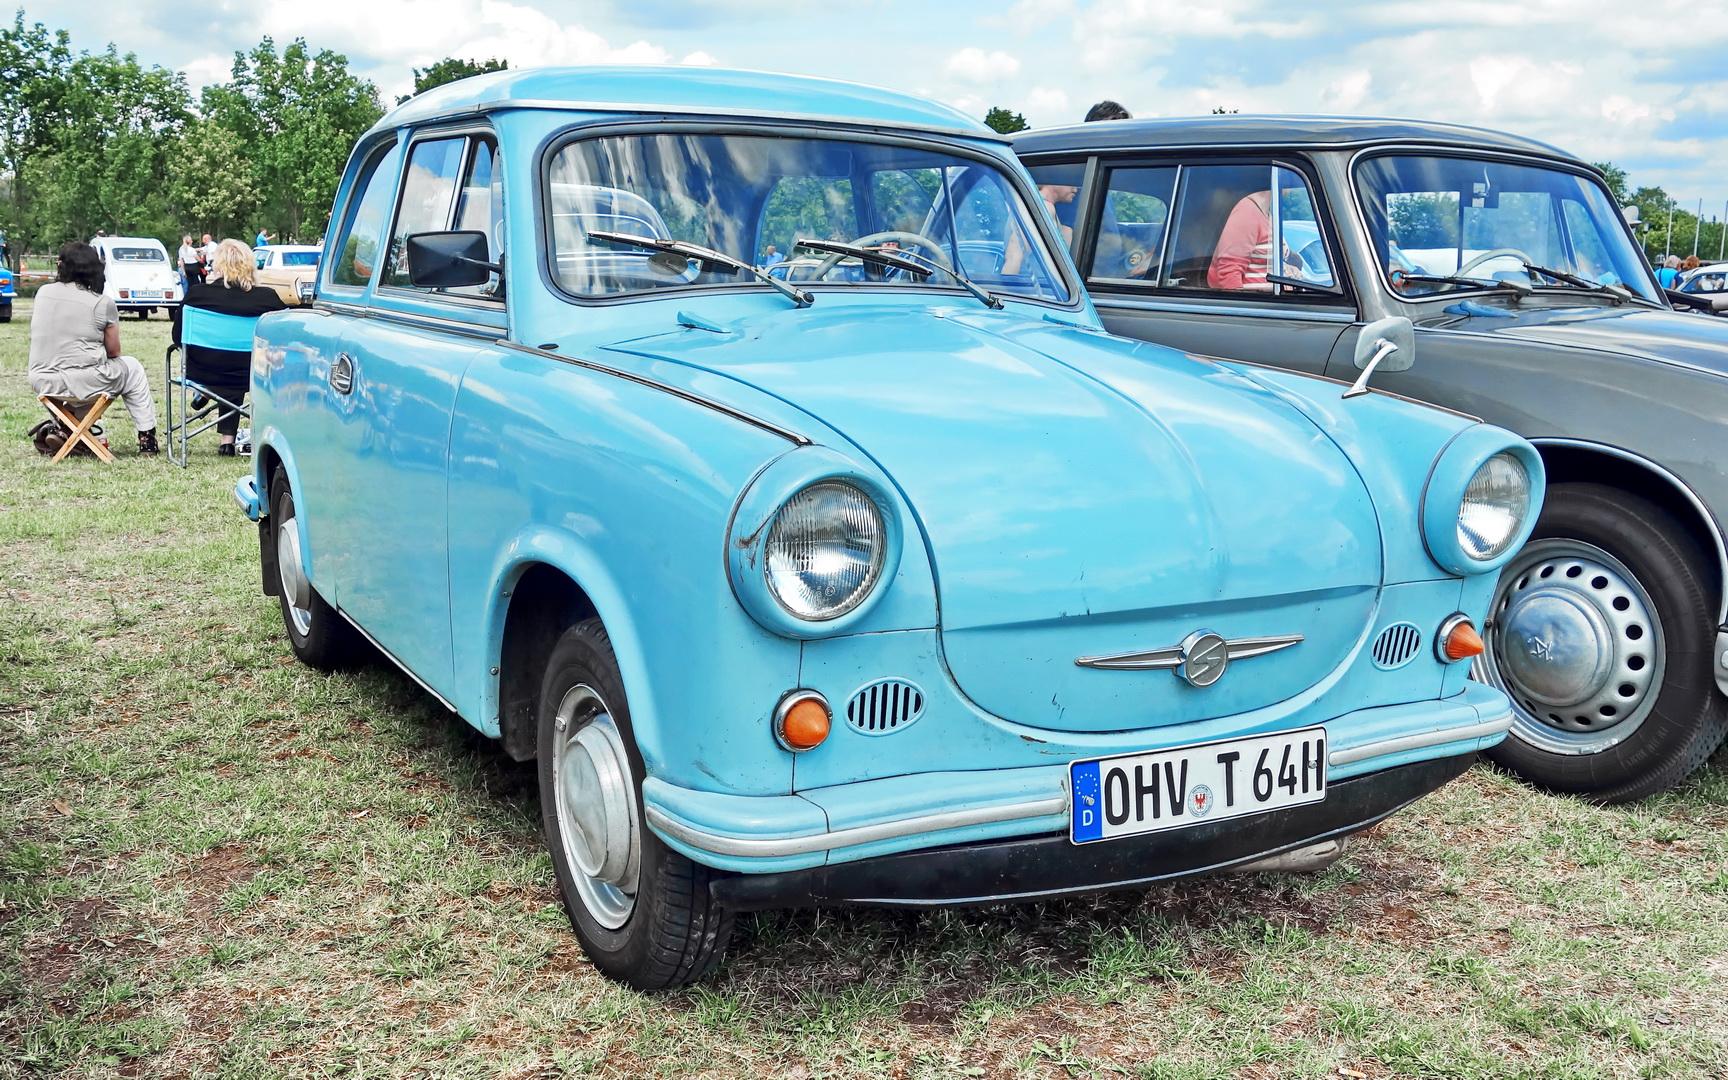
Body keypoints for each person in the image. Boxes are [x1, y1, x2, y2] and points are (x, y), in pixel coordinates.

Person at [28, 241, 158, 454]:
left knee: (85, 381)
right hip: (82, 383)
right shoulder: (102, 303)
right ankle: (147, 437)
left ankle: (66, 428)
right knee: (131, 368)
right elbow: (114, 351)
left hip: (41, 380)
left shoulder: (42, 293)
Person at [173, 239, 285, 456]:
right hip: (252, 374)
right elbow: (283, 339)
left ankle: (212, 403)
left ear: (218, 264)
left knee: (224, 362)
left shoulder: (198, 295)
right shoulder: (268, 298)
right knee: (240, 362)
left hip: (203, 372)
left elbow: (178, 338)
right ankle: (227, 441)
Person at [1207, 189, 1300, 291]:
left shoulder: (1266, 212)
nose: (1290, 185)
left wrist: (1285, 268)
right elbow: (1229, 273)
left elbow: (1262, 261)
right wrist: (1243, 301)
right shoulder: (1247, 213)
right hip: (1258, 299)